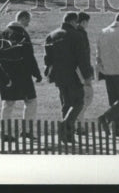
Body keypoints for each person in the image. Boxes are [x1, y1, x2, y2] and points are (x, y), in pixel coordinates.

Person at [44, 11, 93, 142]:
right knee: (78, 102)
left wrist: (49, 72)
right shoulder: (76, 35)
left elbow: (47, 59)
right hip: (73, 74)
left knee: (66, 103)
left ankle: (67, 136)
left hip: (58, 75)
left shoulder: (51, 35)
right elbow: (82, 58)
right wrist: (87, 75)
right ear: (73, 21)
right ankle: (65, 125)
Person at [0, 17, 43, 141]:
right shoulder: (23, 34)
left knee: (8, 104)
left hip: (6, 75)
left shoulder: (1, 34)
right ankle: (27, 131)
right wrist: (37, 74)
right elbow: (29, 57)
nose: (28, 23)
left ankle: (4, 132)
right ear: (22, 19)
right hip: (23, 75)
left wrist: (0, 74)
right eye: (27, 20)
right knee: (31, 101)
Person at [74, 12, 94, 130]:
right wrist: (88, 72)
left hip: (74, 70)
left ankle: (78, 124)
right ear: (83, 22)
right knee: (86, 97)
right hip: (82, 70)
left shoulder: (73, 32)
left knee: (80, 97)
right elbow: (84, 55)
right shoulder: (81, 34)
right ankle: (80, 125)